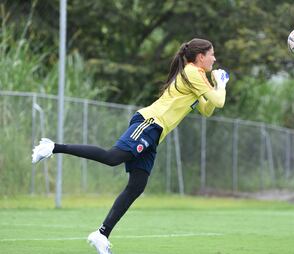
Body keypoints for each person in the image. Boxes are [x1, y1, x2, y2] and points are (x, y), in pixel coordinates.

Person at [31, 38, 229, 254]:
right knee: (113, 157)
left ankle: (101, 234)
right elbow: (218, 101)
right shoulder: (192, 72)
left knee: (137, 185)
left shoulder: (199, 77)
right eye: (212, 54)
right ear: (201, 57)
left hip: (155, 133)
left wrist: (218, 85)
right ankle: (53, 147)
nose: (214, 58)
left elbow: (207, 110)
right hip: (149, 123)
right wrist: (221, 84)